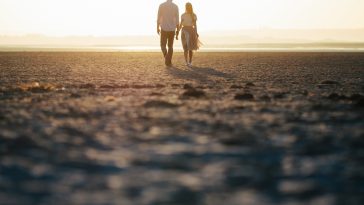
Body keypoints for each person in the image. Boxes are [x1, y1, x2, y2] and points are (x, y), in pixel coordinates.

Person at [157, 0, 179, 67]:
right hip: (172, 29)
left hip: (164, 28)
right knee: (170, 46)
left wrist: (157, 27)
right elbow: (177, 19)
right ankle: (169, 61)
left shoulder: (161, 5)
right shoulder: (175, 6)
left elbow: (158, 17)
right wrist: (178, 29)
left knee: (162, 45)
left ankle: (166, 57)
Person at [177, 2, 200, 67]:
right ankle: (189, 62)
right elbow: (195, 25)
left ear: (186, 7)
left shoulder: (183, 15)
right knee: (190, 48)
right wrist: (196, 32)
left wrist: (178, 31)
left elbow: (181, 25)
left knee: (186, 47)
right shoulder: (193, 15)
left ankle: (187, 62)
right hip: (190, 31)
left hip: (184, 31)